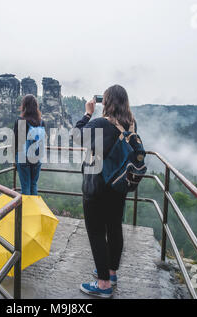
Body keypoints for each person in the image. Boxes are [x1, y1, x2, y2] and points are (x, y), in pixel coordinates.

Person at [75, 84, 137, 298]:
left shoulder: (100, 123)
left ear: (106, 102)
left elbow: (76, 136)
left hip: (96, 186)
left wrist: (87, 113)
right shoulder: (130, 124)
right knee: (114, 227)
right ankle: (110, 273)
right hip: (119, 186)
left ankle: (102, 284)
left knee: (96, 232)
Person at [13, 94, 45, 195]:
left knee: (25, 186)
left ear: (24, 106)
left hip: (23, 157)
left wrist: (14, 159)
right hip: (37, 157)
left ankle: (26, 210)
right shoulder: (41, 122)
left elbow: (17, 142)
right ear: (36, 106)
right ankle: (34, 210)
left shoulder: (21, 121)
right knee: (33, 185)